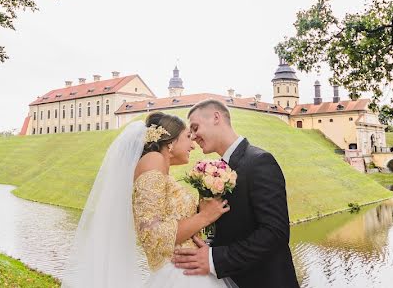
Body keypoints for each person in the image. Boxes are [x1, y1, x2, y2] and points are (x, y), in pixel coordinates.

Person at [63, 111, 228, 288]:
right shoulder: (153, 160)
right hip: (179, 275)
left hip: (187, 270)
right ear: (171, 141)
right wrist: (204, 217)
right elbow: (152, 235)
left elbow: (168, 217)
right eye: (188, 136)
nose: (193, 145)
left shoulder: (158, 166)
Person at [172, 99, 299, 288]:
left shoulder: (259, 161)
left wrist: (215, 259)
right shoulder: (215, 171)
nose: (193, 137)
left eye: (196, 128)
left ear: (216, 117)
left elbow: (275, 233)